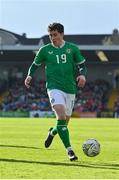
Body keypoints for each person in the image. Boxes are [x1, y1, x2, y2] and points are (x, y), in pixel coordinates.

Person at [25, 23, 87, 161]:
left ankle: (52, 132)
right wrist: (30, 75)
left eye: (55, 35)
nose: (53, 38)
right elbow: (34, 65)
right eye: (50, 35)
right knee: (60, 115)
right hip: (54, 87)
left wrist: (82, 75)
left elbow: (82, 65)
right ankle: (70, 151)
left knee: (63, 123)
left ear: (62, 34)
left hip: (70, 88)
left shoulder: (72, 48)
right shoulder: (44, 50)